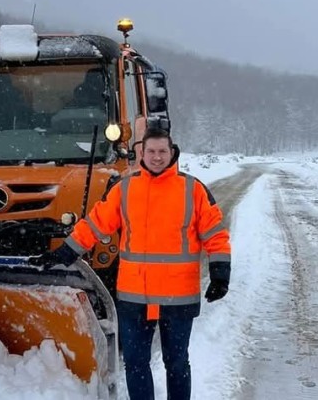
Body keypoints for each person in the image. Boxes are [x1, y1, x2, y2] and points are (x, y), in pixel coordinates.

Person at [32, 127, 232, 400]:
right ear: (141, 153)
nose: (157, 157)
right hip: (134, 298)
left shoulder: (193, 190)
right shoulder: (124, 189)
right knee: (136, 364)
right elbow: (95, 224)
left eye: (163, 151)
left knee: (176, 364)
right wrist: (64, 253)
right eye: (151, 151)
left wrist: (220, 273)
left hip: (179, 298)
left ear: (172, 152)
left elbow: (215, 233)